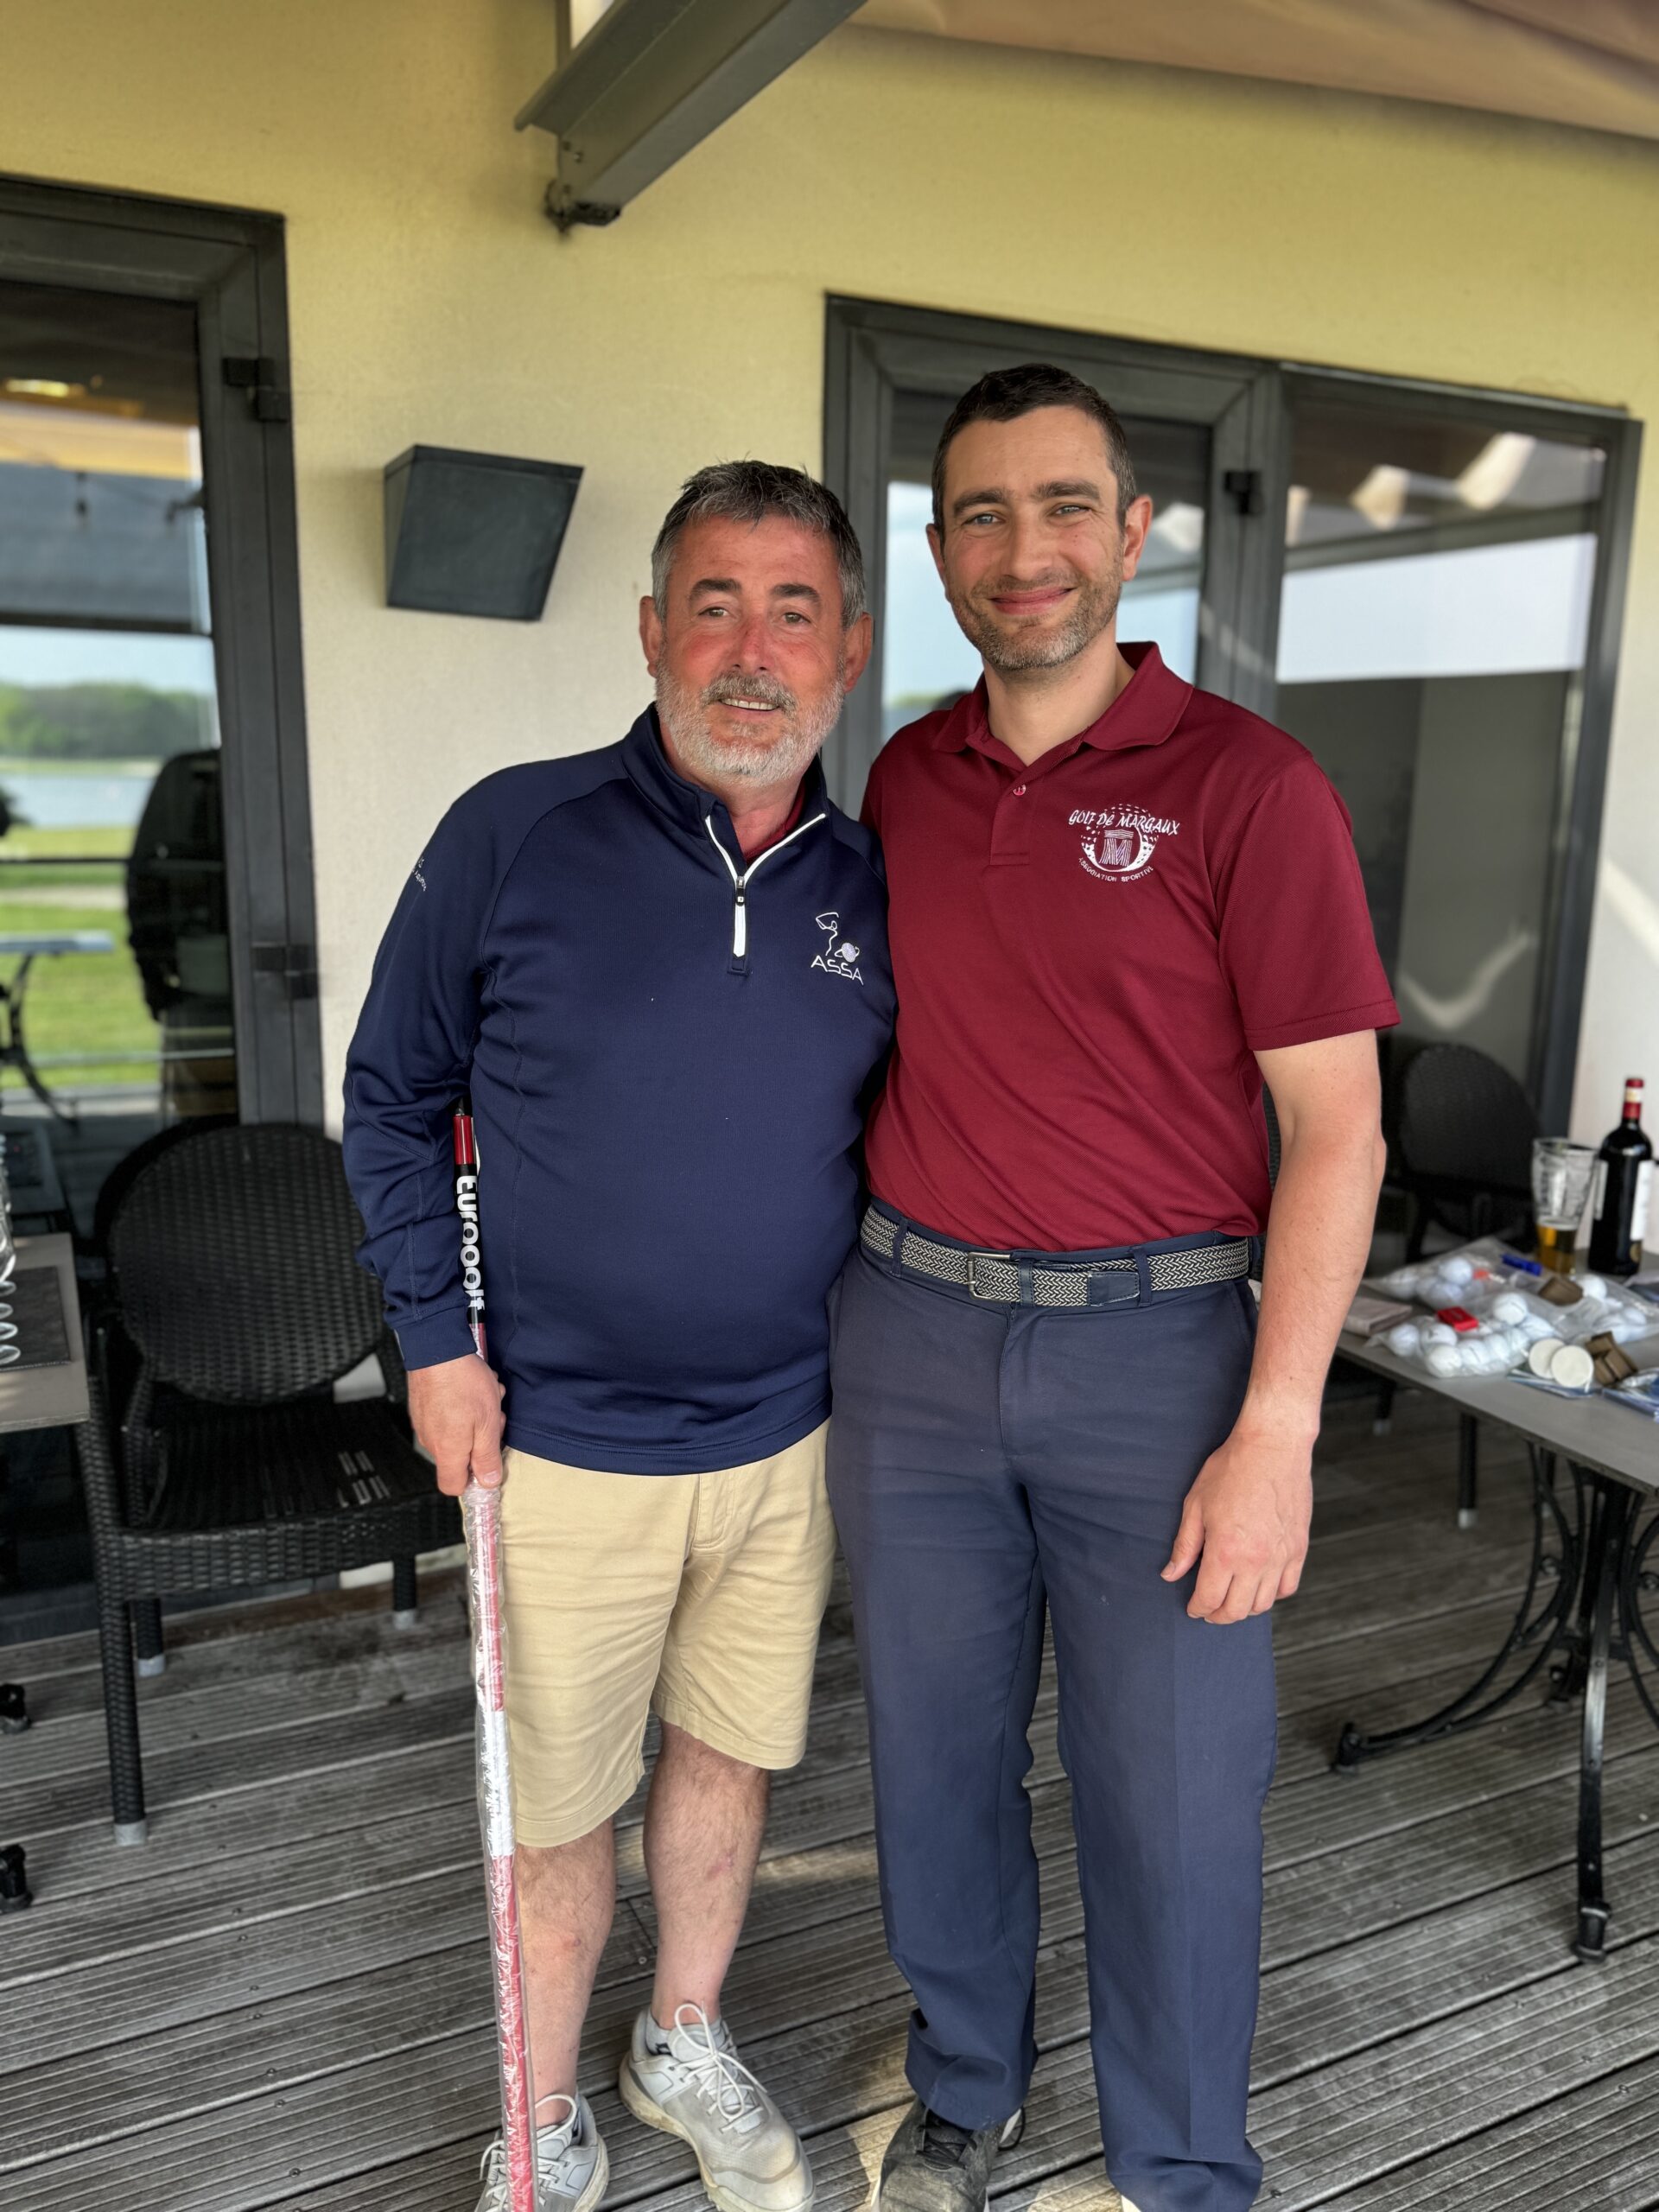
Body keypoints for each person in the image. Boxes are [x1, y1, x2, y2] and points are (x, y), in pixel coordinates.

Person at [826, 365, 1397, 2212]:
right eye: (983, 514)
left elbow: (1337, 1130)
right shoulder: (906, 778)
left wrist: (1279, 1428)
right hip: (911, 1340)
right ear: (938, 553)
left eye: (1065, 505)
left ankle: (1180, 2166)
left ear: (1134, 532)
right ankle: (967, 2084)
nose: (1026, 549)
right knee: (933, 1762)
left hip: (1160, 1359)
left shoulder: (1251, 786)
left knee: (1173, 1794)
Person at [343, 461, 893, 2212]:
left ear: (849, 649)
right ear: (653, 629)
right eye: (713, 605)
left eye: (793, 611)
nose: (751, 650)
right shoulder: (517, 831)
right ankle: (544, 2112)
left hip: (785, 1438)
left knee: (728, 1754)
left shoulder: (875, 883)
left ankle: (681, 2035)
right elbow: (390, 1094)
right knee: (557, 1806)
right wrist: (435, 1344)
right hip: (558, 1444)